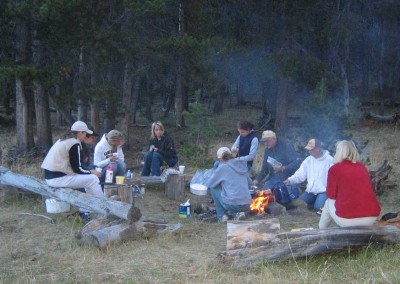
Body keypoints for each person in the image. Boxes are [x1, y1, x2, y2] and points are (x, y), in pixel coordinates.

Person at [319, 140, 381, 229]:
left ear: (338, 152)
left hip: (348, 220)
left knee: (328, 202)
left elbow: (331, 195)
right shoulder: (362, 167)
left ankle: (321, 230)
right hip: (371, 217)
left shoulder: (334, 169)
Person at [41, 121, 103, 198]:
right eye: (85, 133)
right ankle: (103, 205)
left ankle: (88, 206)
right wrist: (91, 172)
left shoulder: (63, 140)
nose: (85, 136)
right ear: (81, 133)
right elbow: (77, 169)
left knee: (88, 179)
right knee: (93, 179)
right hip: (58, 178)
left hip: (51, 176)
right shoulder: (74, 143)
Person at [284, 139, 334, 212]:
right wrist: (290, 180)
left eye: (311, 149)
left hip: (324, 191)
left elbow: (336, 178)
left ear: (318, 149)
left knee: (318, 209)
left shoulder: (330, 160)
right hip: (310, 191)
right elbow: (300, 174)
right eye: (309, 149)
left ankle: (319, 203)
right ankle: (314, 203)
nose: (309, 151)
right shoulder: (308, 160)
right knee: (297, 204)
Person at [205, 147, 252, 222]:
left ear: (220, 159)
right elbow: (250, 183)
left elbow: (210, 184)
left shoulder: (223, 167)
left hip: (233, 204)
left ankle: (221, 216)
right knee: (230, 193)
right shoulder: (241, 165)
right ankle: (238, 214)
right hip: (247, 204)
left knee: (213, 188)